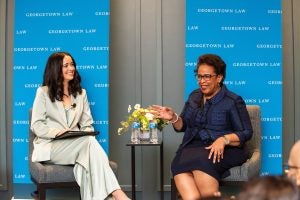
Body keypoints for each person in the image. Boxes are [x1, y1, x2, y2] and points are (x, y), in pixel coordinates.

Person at [151, 54, 253, 199]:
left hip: (225, 149)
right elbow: (184, 125)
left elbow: (246, 132)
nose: (202, 81)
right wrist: (173, 118)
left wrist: (224, 139)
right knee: (179, 163)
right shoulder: (194, 96)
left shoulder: (233, 100)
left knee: (202, 160)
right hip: (193, 147)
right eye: (199, 76)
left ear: (219, 78)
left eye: (207, 77)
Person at [30, 52, 130, 200]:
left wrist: (83, 134)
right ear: (56, 68)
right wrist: (57, 132)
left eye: (72, 64)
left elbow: (87, 124)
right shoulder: (43, 92)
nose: (71, 68)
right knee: (88, 146)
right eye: (66, 65)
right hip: (52, 146)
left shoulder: (81, 94)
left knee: (87, 155)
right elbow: (36, 125)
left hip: (77, 145)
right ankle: (117, 193)